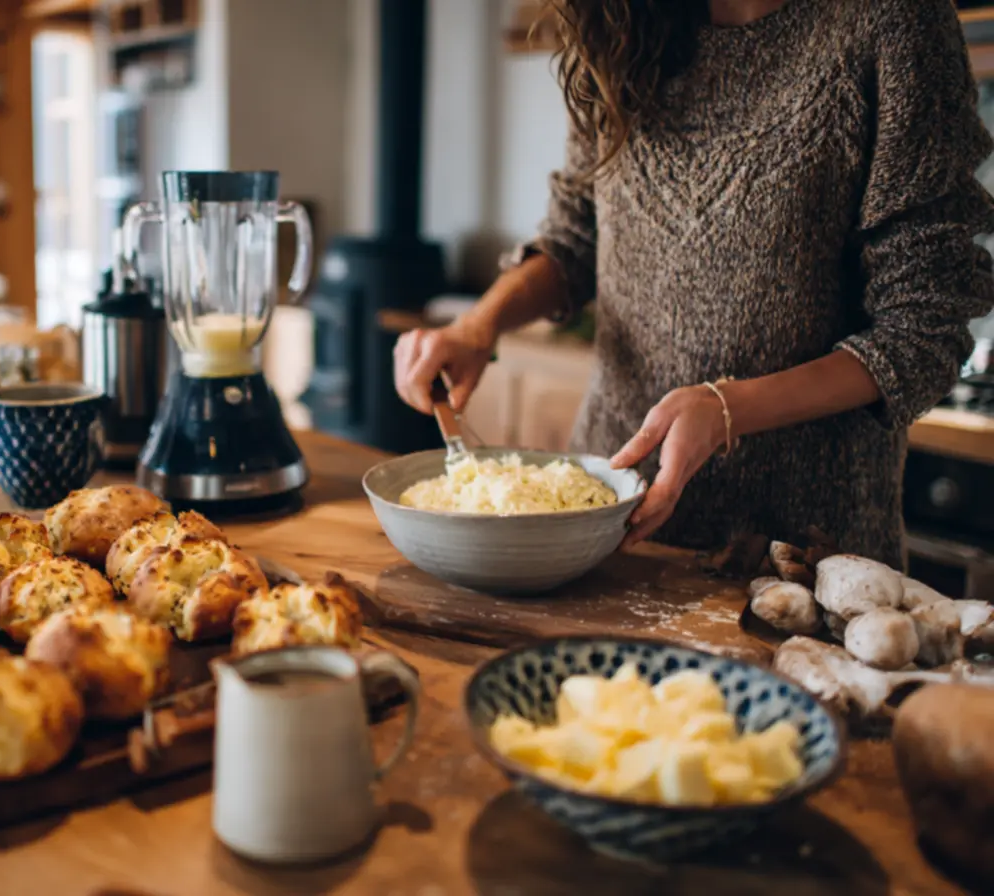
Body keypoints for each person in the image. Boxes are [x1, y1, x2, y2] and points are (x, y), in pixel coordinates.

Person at [394, 0, 994, 568]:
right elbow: (577, 235)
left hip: (799, 558)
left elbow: (923, 329)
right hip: (604, 529)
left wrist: (728, 408)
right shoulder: (620, 21)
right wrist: (480, 324)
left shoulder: (892, 21)